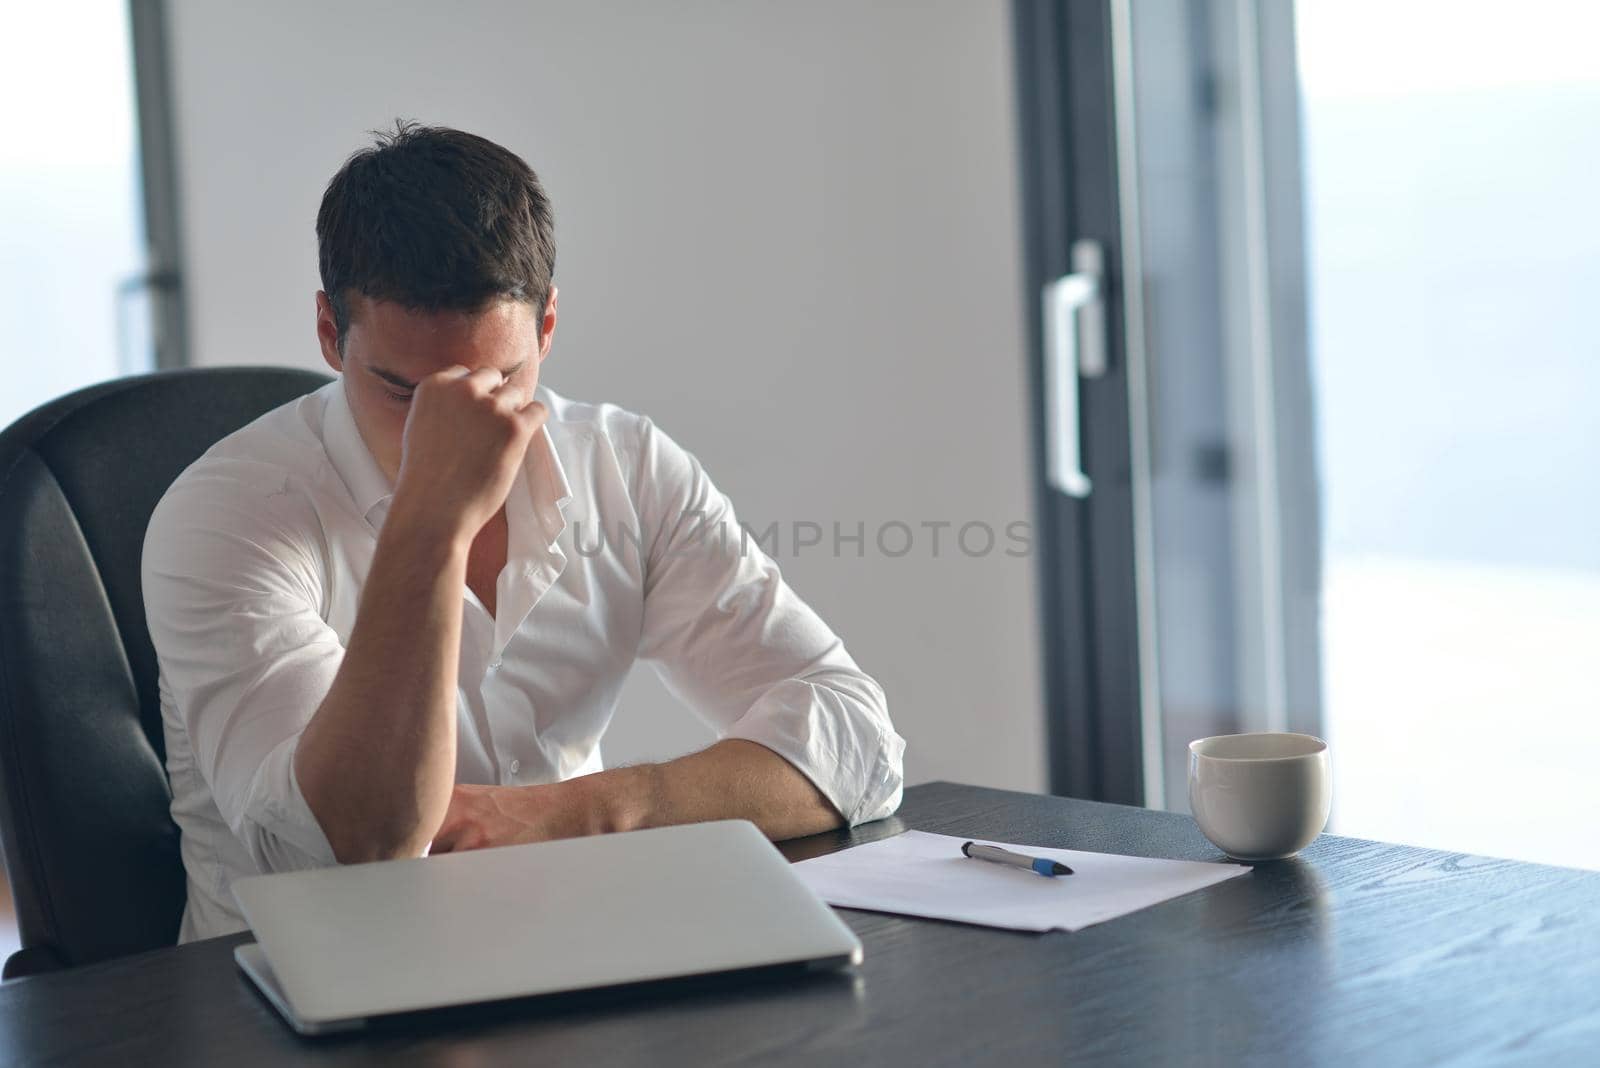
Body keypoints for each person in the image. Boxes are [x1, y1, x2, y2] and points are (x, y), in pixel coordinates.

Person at [142, 121, 905, 942]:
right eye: (404, 391)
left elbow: (857, 742)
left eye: (498, 379)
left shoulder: (625, 464)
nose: (452, 424)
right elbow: (350, 853)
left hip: (572, 953)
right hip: (289, 993)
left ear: (546, 327)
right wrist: (431, 524)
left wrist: (571, 813)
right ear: (330, 333)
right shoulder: (225, 513)